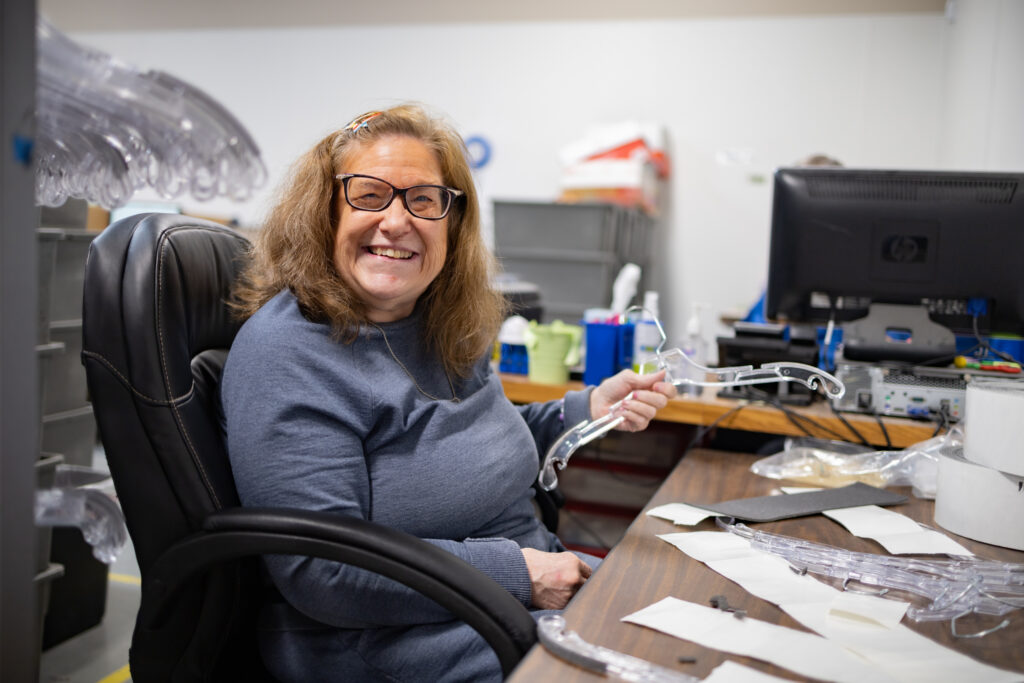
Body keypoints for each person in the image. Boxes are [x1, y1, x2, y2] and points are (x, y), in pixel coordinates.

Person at [221, 103, 676, 682]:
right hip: (390, 637)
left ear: (451, 223)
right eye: (368, 194)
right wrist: (519, 573)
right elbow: (323, 573)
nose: (395, 220)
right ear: (323, 211)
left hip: (508, 596)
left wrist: (584, 410)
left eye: (424, 200)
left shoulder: (434, 320)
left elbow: (477, 442)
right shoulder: (289, 354)